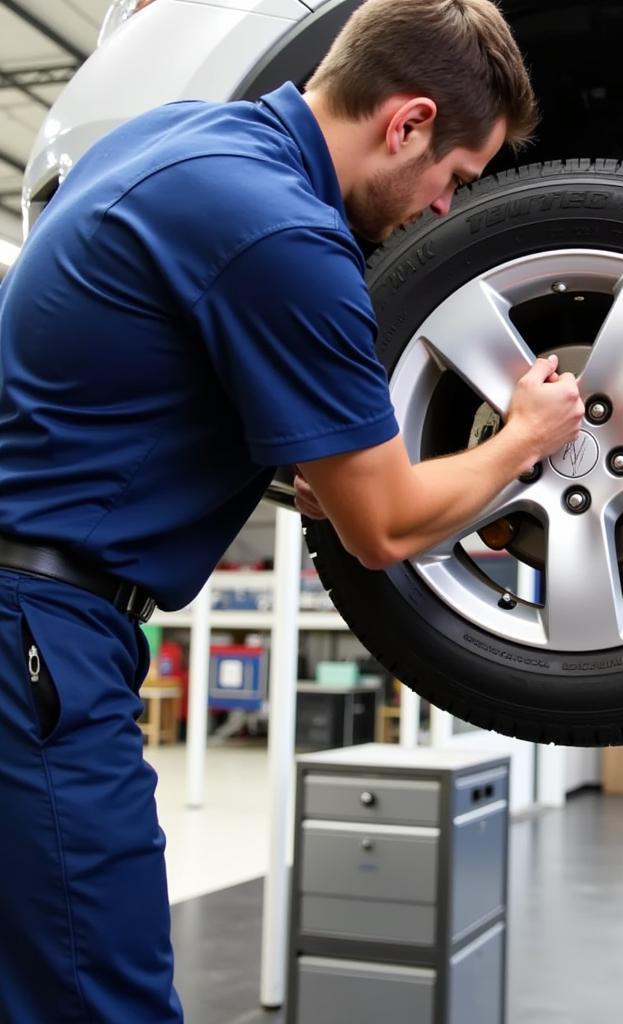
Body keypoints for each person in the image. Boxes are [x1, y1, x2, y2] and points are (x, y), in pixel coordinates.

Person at [0, 0, 583, 1019]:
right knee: (103, 998)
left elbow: (184, 403)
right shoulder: (282, 235)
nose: (448, 211)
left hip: (31, 618)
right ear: (404, 123)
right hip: (36, 643)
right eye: (455, 177)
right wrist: (523, 441)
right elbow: (383, 523)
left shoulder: (181, 141)